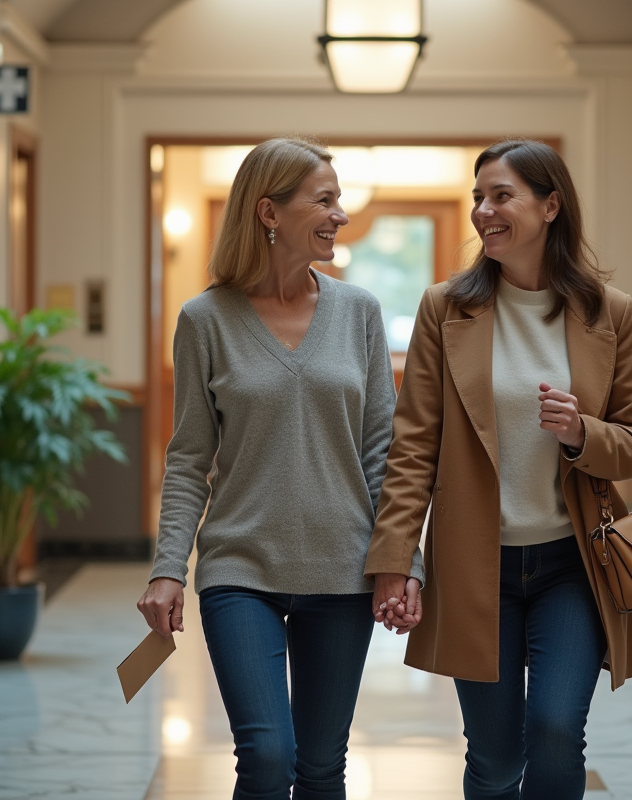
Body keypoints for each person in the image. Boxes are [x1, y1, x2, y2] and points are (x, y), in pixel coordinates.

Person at [365, 139, 632, 800]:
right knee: (495, 759)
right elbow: (414, 444)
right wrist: (396, 559)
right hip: (477, 567)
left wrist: (584, 433)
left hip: (575, 564)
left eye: (501, 195)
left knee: (558, 731)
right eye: (478, 198)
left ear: (551, 205)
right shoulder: (447, 309)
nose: (483, 211)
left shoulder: (610, 315)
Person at [137, 137, 422, 800]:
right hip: (242, 571)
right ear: (270, 212)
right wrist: (166, 567)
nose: (341, 214)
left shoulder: (361, 313)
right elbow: (188, 458)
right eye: (324, 200)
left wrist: (402, 561)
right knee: (267, 756)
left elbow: (384, 449)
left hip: (342, 572)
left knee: (322, 767)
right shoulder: (205, 320)